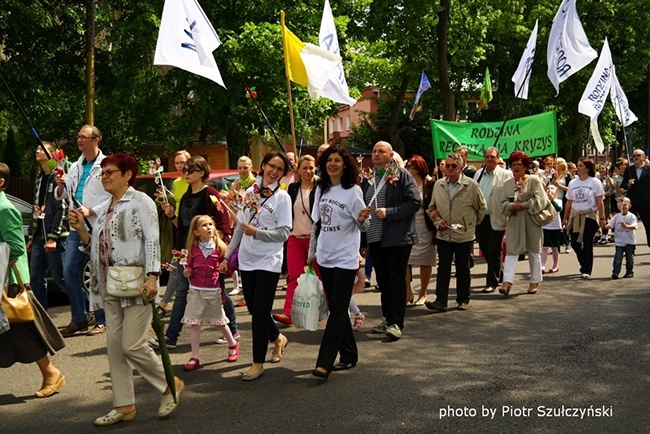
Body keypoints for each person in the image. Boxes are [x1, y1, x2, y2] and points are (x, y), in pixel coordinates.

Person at [68, 153, 183, 425]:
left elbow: (152, 240)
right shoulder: (105, 206)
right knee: (115, 348)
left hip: (136, 282)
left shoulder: (140, 201)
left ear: (128, 174)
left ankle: (170, 383)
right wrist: (82, 231)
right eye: (102, 173)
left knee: (131, 345)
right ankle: (124, 406)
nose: (104, 177)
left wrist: (153, 276)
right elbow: (95, 247)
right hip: (108, 284)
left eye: (110, 172)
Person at [219, 152, 292, 381]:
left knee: (259, 312)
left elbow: (284, 233)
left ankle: (257, 362)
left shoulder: (282, 198)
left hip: (269, 262)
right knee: (254, 309)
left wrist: (257, 233)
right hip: (247, 260)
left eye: (280, 169)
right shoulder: (250, 192)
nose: (274, 171)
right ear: (263, 165)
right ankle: (278, 338)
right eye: (272, 166)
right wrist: (227, 257)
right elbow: (241, 228)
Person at [0, 162, 66, 399]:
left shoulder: (4, 208)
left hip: (9, 281)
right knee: (11, 332)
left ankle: (51, 372)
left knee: (20, 330)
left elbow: (17, 247)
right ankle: (50, 372)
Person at [156, 155, 236, 349]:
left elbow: (224, 224)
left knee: (218, 290)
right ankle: (172, 336)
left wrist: (220, 251)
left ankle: (232, 329)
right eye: (184, 171)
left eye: (189, 170)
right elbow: (183, 227)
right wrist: (171, 216)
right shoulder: (185, 196)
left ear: (201, 172)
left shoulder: (210, 193)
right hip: (187, 251)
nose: (185, 174)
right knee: (183, 291)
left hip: (207, 252)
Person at [307, 145, 371, 380]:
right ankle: (349, 354)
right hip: (325, 257)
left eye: (337, 160)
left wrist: (363, 219)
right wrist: (312, 253)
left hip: (345, 259)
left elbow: (364, 225)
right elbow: (317, 225)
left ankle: (324, 363)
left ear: (345, 165)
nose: (332, 164)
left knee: (337, 311)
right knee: (336, 308)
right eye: (329, 160)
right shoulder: (321, 189)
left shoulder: (353, 191)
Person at [54, 125, 110, 336]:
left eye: (83, 137)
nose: (79, 140)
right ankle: (79, 318)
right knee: (68, 271)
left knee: (97, 273)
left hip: (97, 226)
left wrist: (91, 210)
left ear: (96, 140)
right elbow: (63, 195)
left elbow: (112, 196)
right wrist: (61, 186)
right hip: (76, 226)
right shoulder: (74, 166)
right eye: (78, 136)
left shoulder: (106, 165)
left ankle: (102, 319)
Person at [361, 141, 420, 340]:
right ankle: (387, 318)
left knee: (395, 280)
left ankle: (397, 323)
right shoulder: (369, 178)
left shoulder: (401, 175)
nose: (376, 154)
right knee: (384, 282)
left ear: (391, 154)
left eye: (381, 151)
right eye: (374, 151)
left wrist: (390, 212)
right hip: (375, 238)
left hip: (397, 238)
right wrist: (363, 241)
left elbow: (414, 202)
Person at [426, 153, 486, 311]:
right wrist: (438, 222)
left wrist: (470, 224)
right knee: (443, 267)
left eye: (454, 166)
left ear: (460, 167)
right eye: (447, 165)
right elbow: (431, 209)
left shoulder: (471, 185)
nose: (450, 168)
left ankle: (463, 299)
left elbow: (482, 208)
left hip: (464, 234)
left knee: (463, 267)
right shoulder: (439, 185)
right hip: (443, 234)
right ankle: (441, 300)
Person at [181, 215, 239, 371]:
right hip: (196, 290)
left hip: (213, 290)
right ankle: (195, 357)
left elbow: (228, 266)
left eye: (211, 224)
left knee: (219, 322)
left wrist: (224, 268)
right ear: (196, 232)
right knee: (195, 323)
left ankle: (233, 344)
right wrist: (188, 271)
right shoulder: (193, 249)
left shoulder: (220, 247)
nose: (209, 228)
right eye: (204, 225)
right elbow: (190, 266)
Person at [273, 155, 318, 326]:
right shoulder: (292, 188)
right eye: (304, 168)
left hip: (315, 239)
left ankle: (324, 309)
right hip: (295, 238)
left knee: (321, 276)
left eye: (311, 168)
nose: (307, 171)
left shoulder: (321, 187)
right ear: (298, 169)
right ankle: (288, 313)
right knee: (294, 276)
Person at [498, 151, 546, 295]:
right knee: (511, 251)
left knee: (533, 251)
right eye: (513, 164)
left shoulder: (534, 180)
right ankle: (507, 283)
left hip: (532, 220)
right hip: (514, 221)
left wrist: (524, 204)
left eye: (519, 164)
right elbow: (502, 204)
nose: (516, 167)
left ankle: (534, 281)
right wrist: (512, 206)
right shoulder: (507, 184)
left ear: (526, 166)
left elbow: (541, 201)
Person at [27, 142, 69, 309]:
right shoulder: (39, 180)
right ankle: (42, 316)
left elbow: (62, 208)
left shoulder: (58, 177)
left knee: (61, 279)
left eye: (41, 149)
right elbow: (36, 210)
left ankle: (88, 306)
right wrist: (32, 235)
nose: (37, 150)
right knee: (35, 278)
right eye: (36, 148)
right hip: (39, 238)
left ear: (52, 155)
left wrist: (53, 237)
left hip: (55, 238)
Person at [473, 147, 512, 293]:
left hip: (498, 218)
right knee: (484, 248)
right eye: (487, 156)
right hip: (481, 218)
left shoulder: (506, 175)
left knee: (494, 250)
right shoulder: (479, 174)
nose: (489, 159)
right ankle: (499, 272)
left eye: (493, 157)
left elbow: (511, 195)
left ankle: (491, 282)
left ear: (498, 158)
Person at [157, 150, 191, 317]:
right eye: (177, 163)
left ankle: (165, 303)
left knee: (178, 267)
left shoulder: (193, 181)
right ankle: (168, 303)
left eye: (183, 162)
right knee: (175, 266)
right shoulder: (176, 183)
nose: (180, 166)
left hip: (192, 229)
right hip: (177, 226)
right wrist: (169, 211)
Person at [562, 158, 607, 279]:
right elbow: (569, 202)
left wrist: (602, 218)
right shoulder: (572, 183)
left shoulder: (595, 182)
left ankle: (587, 270)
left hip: (589, 215)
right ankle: (584, 262)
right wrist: (565, 218)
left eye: (581, 166)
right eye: (577, 165)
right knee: (575, 243)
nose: (578, 168)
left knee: (587, 243)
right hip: (576, 215)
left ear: (587, 168)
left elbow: (600, 201)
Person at [404, 155, 436, 306]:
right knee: (405, 260)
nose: (409, 168)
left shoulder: (430, 184)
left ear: (419, 169)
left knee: (425, 261)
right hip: (407, 226)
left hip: (425, 226)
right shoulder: (404, 183)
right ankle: (408, 291)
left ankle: (423, 292)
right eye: (408, 166)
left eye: (412, 166)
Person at [228, 155, 257, 298]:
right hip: (237, 223)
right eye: (240, 168)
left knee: (250, 255)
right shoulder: (235, 184)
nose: (242, 170)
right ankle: (237, 286)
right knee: (237, 254)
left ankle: (252, 290)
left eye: (245, 167)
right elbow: (231, 204)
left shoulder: (256, 184)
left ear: (251, 167)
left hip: (252, 224)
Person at [621, 149, 650, 247]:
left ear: (643, 157)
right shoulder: (629, 169)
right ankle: (629, 247)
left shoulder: (648, 169)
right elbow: (623, 185)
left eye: (638, 155)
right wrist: (628, 184)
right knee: (628, 225)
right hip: (632, 201)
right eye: (634, 156)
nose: (635, 158)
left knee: (648, 225)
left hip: (646, 201)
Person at [607, 197, 637, 279]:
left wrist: (627, 226)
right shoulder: (617, 217)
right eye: (620, 205)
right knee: (618, 257)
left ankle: (629, 271)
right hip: (619, 242)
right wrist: (604, 226)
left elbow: (634, 226)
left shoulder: (632, 216)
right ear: (618, 206)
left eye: (625, 204)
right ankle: (615, 272)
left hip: (630, 241)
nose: (622, 206)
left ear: (629, 206)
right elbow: (611, 225)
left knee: (629, 258)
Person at [540, 185, 567, 274]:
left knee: (555, 248)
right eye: (547, 189)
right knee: (544, 247)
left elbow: (558, 209)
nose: (549, 190)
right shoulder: (543, 201)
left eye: (552, 188)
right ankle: (542, 266)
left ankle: (555, 265)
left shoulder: (558, 201)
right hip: (545, 227)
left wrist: (552, 201)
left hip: (555, 227)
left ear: (556, 192)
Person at [596, 164, 616, 244]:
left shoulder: (609, 179)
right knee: (595, 218)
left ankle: (604, 236)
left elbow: (612, 191)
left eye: (603, 168)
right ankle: (597, 234)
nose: (601, 170)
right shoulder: (595, 179)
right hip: (595, 201)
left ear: (606, 170)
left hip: (605, 201)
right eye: (600, 168)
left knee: (604, 217)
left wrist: (602, 194)